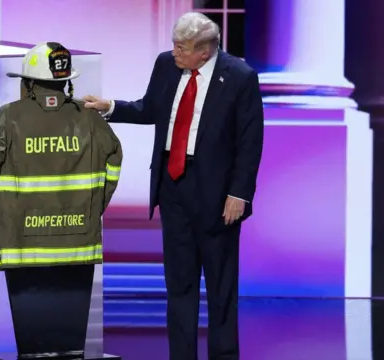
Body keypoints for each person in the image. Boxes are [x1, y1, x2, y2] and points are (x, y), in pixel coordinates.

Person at [83, 12, 264, 360]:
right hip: (173, 186)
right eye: (174, 45)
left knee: (220, 287)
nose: (175, 52)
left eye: (183, 48)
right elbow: (150, 108)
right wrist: (111, 107)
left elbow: (250, 141)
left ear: (206, 51)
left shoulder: (240, 77)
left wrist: (239, 194)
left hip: (217, 194)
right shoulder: (167, 65)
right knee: (178, 284)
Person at [0, 42, 123, 270]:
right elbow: (114, 162)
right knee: (73, 307)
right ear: (67, 82)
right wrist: (92, 208)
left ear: (30, 83)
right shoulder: (91, 119)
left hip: (20, 248)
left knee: (28, 307)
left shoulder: (9, 117)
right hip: (78, 246)